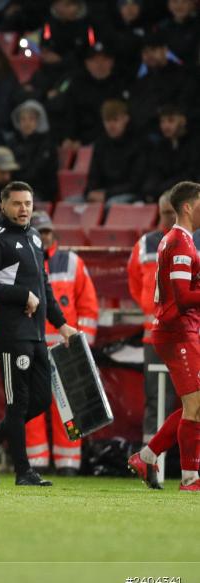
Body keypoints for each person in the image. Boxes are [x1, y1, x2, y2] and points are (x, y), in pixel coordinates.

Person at [0, 181, 78, 487]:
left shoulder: (33, 237)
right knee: (17, 404)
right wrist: (21, 296)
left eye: (27, 204)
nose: (23, 209)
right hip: (10, 332)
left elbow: (44, 287)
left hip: (36, 333)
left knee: (41, 399)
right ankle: (23, 471)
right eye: (16, 204)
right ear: (2, 205)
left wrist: (62, 323)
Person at [127, 181, 200, 492]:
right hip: (177, 332)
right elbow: (183, 297)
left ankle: (147, 455)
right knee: (195, 407)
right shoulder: (181, 243)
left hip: (179, 330)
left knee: (192, 405)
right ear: (187, 207)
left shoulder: (176, 240)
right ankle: (189, 479)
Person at [24, 212, 98, 474]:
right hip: (31, 347)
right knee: (31, 407)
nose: (43, 236)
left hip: (65, 350)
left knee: (67, 409)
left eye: (45, 231)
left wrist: (82, 347)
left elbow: (88, 307)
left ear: (53, 232)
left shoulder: (72, 263)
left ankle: (68, 463)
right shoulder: (19, 262)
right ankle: (36, 462)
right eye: (38, 231)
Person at [128, 191, 179, 445]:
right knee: (155, 398)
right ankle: (151, 462)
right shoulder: (145, 245)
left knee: (187, 401)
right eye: (166, 213)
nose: (171, 217)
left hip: (189, 336)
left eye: (175, 212)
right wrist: (153, 310)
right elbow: (135, 284)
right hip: (155, 338)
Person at [84, 99, 146, 204]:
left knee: (112, 203)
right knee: (71, 202)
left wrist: (107, 194)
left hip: (128, 193)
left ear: (126, 119)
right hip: (104, 192)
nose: (111, 125)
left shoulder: (138, 144)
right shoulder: (100, 144)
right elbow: (93, 176)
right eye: (107, 121)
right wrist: (90, 192)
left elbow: (135, 183)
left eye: (115, 120)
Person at [143, 105, 199, 201]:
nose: (166, 126)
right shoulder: (162, 145)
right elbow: (155, 171)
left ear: (183, 120)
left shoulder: (195, 144)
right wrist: (149, 190)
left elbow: (190, 175)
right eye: (162, 121)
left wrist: (162, 189)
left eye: (171, 120)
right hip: (163, 193)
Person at [9, 100, 58, 202]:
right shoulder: (14, 142)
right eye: (23, 119)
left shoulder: (46, 144)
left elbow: (36, 171)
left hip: (40, 191)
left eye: (31, 119)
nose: (27, 123)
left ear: (39, 121)